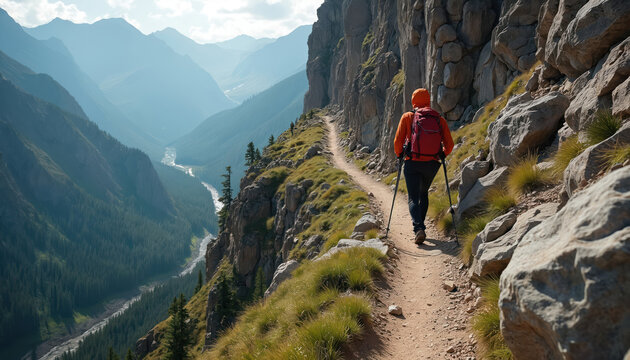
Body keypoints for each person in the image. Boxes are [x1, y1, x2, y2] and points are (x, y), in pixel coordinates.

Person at [394, 88, 454, 245]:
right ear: (428, 100)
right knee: (423, 193)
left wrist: (400, 154)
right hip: (432, 164)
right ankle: (421, 226)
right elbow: (450, 144)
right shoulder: (438, 119)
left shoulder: (408, 117)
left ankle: (418, 228)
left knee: (413, 197)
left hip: (412, 162)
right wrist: (441, 154)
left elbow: (398, 142)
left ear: (414, 101)